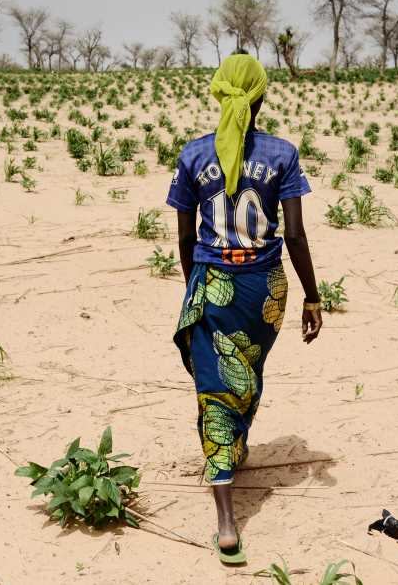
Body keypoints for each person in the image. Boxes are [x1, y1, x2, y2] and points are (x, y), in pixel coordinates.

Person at [166, 53, 322, 564]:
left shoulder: (192, 156)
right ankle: (235, 449)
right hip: (265, 290)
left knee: (215, 388)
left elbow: (186, 236)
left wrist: (197, 285)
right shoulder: (283, 153)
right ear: (261, 97)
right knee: (247, 371)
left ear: (217, 94)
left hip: (214, 283)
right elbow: (294, 233)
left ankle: (227, 521)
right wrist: (313, 296)